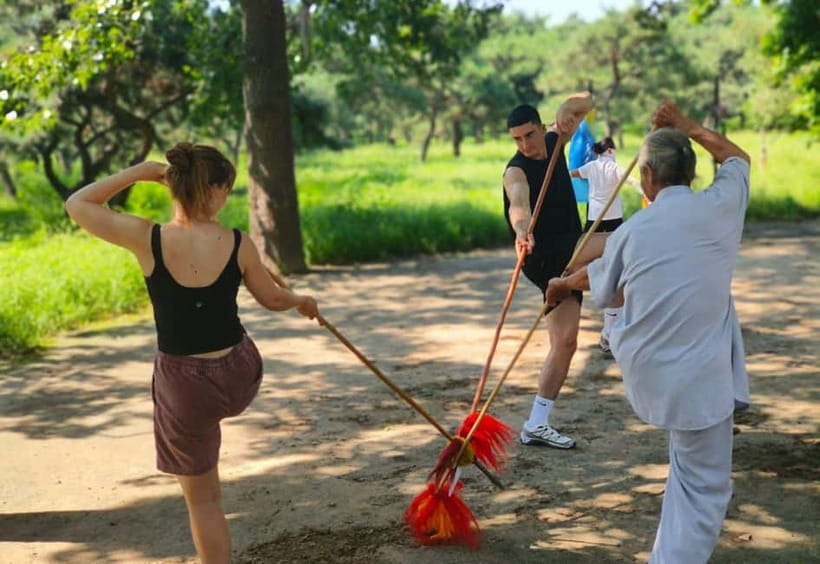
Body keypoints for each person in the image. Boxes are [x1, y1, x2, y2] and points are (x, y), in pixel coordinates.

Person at [65, 143, 319, 564]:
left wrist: (138, 171)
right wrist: (301, 300)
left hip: (183, 387)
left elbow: (78, 203)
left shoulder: (147, 238)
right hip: (239, 375)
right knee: (219, 385)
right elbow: (272, 299)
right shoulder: (239, 243)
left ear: (174, 186)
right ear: (216, 190)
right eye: (226, 188)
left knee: (204, 501)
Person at [546, 101, 751, 562]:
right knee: (704, 492)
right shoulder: (721, 206)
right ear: (691, 174)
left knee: (687, 473)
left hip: (652, 371)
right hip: (695, 378)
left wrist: (561, 283)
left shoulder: (633, 232)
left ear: (649, 179)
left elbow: (599, 279)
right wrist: (685, 125)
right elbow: (739, 159)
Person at [503, 92, 603, 450]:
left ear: (540, 127)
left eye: (529, 135)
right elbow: (518, 202)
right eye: (517, 139)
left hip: (569, 250)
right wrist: (521, 230)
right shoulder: (516, 169)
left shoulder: (555, 139)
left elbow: (586, 101)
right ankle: (618, 323)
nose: (525, 144)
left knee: (565, 342)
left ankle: (536, 423)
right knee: (623, 242)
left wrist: (565, 111)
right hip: (543, 254)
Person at [569, 136, 637, 354]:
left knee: (601, 268)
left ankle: (610, 328)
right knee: (616, 271)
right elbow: (632, 180)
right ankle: (611, 328)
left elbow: (573, 173)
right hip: (613, 223)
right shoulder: (614, 167)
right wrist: (647, 194)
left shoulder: (591, 167)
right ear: (610, 150)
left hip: (594, 222)